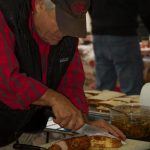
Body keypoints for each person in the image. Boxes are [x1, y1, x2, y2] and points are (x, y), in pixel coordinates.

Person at [0, 0, 126, 149]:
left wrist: (84, 123)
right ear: (40, 5)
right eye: (61, 23)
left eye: (71, 25)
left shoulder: (67, 36)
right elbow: (5, 80)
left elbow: (71, 85)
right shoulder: (5, 16)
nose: (65, 32)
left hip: (17, 130)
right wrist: (53, 98)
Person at [89, 0, 150, 95]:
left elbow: (89, 4)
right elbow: (145, 8)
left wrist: (97, 21)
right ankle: (131, 109)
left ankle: (103, 108)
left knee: (104, 88)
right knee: (131, 89)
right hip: (122, 31)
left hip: (99, 32)